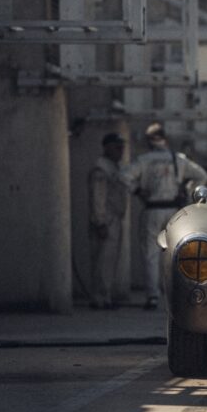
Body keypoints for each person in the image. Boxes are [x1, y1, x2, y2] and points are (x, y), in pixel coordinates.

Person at [124, 123, 207, 310]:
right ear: (165, 139)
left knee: (151, 254)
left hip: (152, 209)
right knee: (175, 253)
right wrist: (187, 190)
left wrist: (137, 190)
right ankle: (177, 294)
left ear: (148, 140)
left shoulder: (144, 159)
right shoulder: (179, 160)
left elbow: (124, 176)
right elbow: (202, 175)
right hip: (173, 212)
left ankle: (153, 296)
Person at [88, 132, 129, 309]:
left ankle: (105, 297)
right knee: (103, 261)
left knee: (110, 261)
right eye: (117, 147)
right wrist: (100, 222)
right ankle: (100, 298)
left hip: (114, 219)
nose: (120, 151)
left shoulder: (114, 167)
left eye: (122, 147)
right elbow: (98, 197)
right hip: (106, 220)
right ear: (107, 147)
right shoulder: (101, 168)